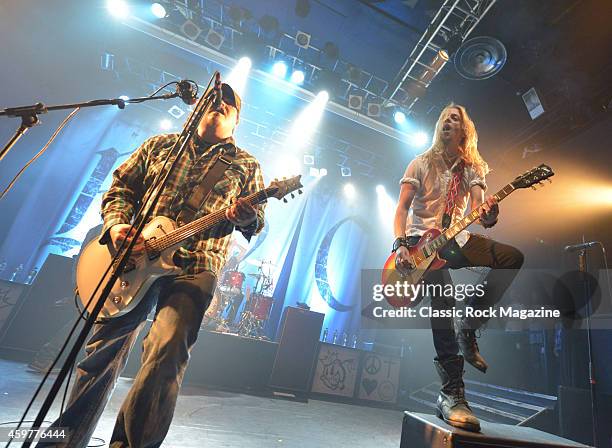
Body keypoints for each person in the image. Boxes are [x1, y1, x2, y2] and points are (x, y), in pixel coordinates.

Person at [41, 83, 265, 447]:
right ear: (195, 110)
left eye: (228, 105)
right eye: (212, 100)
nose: (218, 105)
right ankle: (65, 441)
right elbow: (120, 191)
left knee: (166, 352)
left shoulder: (246, 165)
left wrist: (246, 216)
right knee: (101, 352)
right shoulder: (160, 146)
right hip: (134, 260)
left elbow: (257, 223)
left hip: (195, 264)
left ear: (237, 121)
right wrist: (116, 228)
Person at [392, 104, 524, 432]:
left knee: (512, 258)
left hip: (456, 239)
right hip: (421, 244)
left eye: (456, 118)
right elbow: (402, 209)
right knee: (443, 297)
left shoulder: (472, 168)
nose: (449, 121)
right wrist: (401, 245)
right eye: (445, 118)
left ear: (465, 130)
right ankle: (452, 393)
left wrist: (491, 213)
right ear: (438, 127)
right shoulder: (420, 163)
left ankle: (470, 324)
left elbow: (482, 209)